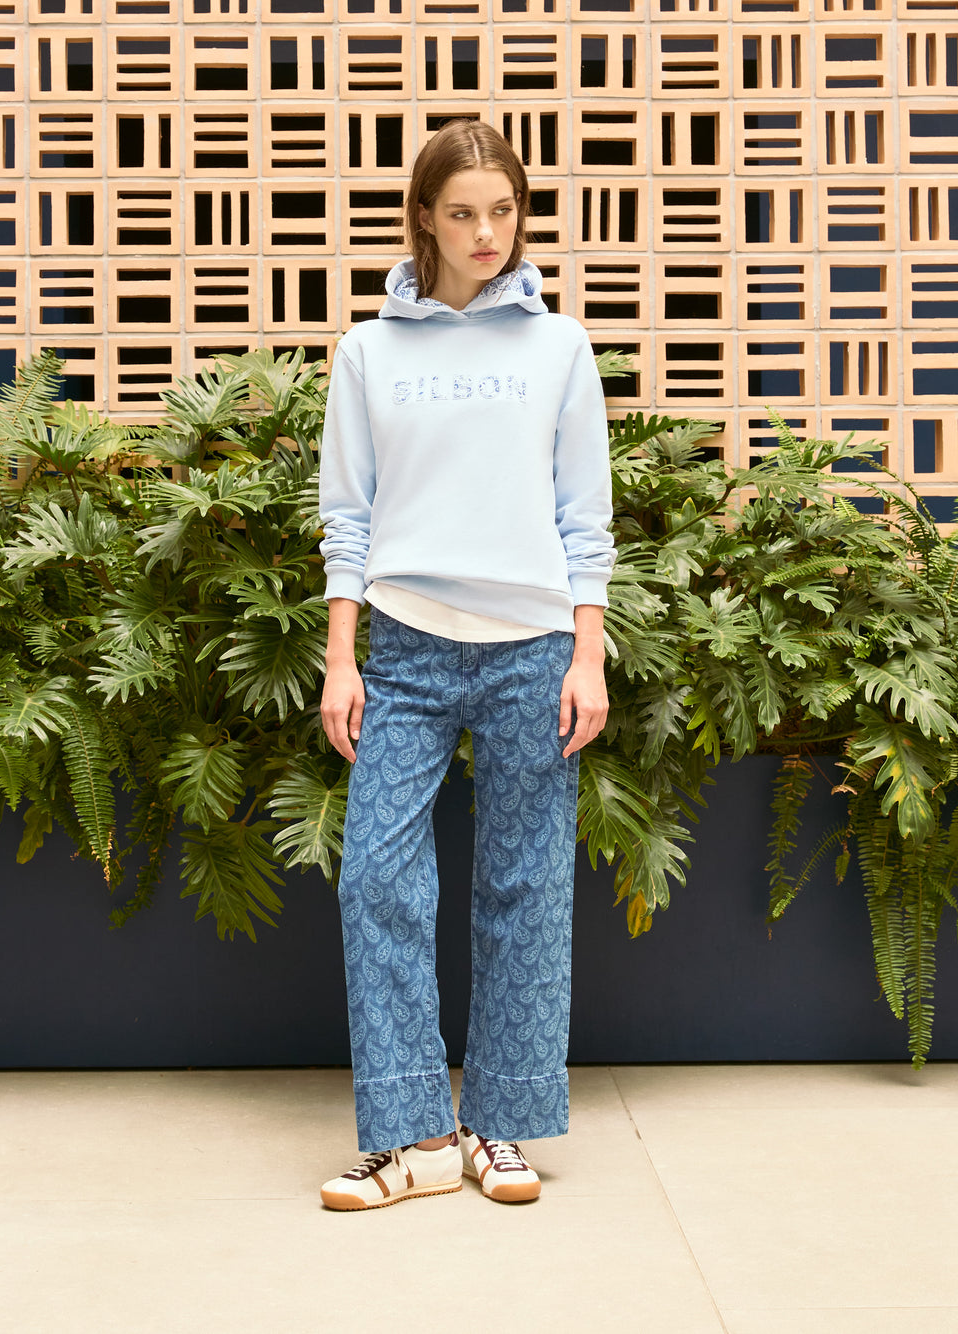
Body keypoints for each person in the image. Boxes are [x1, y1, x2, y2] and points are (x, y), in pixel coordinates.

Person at [316, 118, 614, 1210]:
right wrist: (342, 657)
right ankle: (414, 1138)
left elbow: (585, 517)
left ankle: (500, 1127)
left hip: (533, 646)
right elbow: (347, 517)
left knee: (523, 885)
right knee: (376, 878)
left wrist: (587, 654)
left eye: (502, 211)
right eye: (461, 213)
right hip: (402, 645)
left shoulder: (558, 347)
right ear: (424, 219)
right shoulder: (368, 352)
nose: (486, 233)